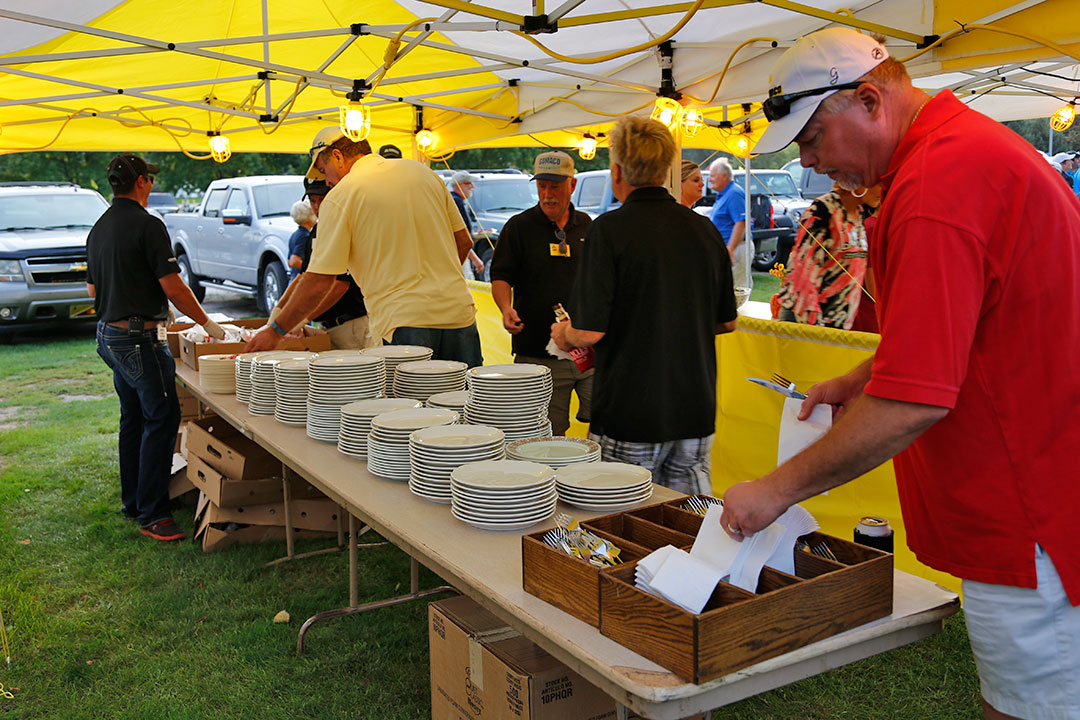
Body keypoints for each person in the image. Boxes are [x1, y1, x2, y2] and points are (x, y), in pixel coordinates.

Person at [719, 28, 1080, 720]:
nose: (813, 164)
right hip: (1043, 491)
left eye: (812, 140)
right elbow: (977, 329)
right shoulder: (956, 157)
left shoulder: (934, 187)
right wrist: (863, 376)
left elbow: (913, 402)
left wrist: (774, 490)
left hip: (1033, 514)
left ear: (868, 101)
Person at [551, 116, 738, 494]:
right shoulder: (703, 230)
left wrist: (564, 334)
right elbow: (727, 322)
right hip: (694, 407)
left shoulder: (609, 231)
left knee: (627, 522)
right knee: (689, 526)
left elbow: (589, 331)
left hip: (631, 408)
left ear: (616, 171)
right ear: (667, 167)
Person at [245, 128, 482, 367]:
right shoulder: (423, 173)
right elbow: (464, 242)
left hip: (402, 319)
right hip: (458, 312)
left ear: (337, 156)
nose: (326, 180)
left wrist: (275, 330)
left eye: (324, 170)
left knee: (412, 404)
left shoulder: (341, 196)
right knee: (464, 401)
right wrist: (439, 278)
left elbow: (319, 281)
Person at [86, 153, 225, 542]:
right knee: (162, 418)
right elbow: (174, 286)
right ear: (142, 182)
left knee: (133, 418)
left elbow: (92, 290)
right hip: (138, 338)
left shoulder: (98, 228)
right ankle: (153, 513)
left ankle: (136, 501)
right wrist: (208, 324)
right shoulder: (149, 225)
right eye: (149, 179)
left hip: (109, 335)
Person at [490, 150, 594, 436]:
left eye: (556, 186)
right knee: (545, 433)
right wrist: (505, 308)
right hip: (538, 353)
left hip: (588, 349)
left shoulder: (588, 226)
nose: (548, 194)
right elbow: (500, 275)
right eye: (542, 185)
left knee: (607, 424)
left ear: (572, 185)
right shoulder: (518, 227)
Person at [270, 178, 372, 349]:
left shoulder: (345, 227)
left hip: (351, 325)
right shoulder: (317, 231)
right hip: (327, 325)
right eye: (312, 201)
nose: (317, 206)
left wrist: (299, 320)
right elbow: (302, 278)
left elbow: (339, 286)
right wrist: (277, 313)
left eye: (322, 200)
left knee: (354, 375)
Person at [776, 183, 881, 331]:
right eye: (878, 184)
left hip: (838, 326)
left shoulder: (858, 212)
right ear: (858, 180)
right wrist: (819, 333)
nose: (883, 190)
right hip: (808, 324)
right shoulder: (824, 209)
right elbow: (803, 276)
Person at [707, 158, 748, 281]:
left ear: (724, 176)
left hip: (736, 249)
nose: (709, 180)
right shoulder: (723, 194)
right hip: (726, 248)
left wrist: (730, 249)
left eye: (713, 176)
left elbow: (741, 222)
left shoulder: (734, 193)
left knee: (736, 288)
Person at [449, 170, 486, 280]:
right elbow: (459, 236)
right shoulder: (456, 202)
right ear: (460, 185)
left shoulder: (454, 200)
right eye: (469, 183)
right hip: (460, 255)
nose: (472, 186)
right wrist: (476, 259)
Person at [286, 199, 316, 283]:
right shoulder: (304, 236)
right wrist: (312, 269)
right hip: (301, 280)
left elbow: (289, 261)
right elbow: (294, 261)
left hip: (293, 278)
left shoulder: (296, 234)